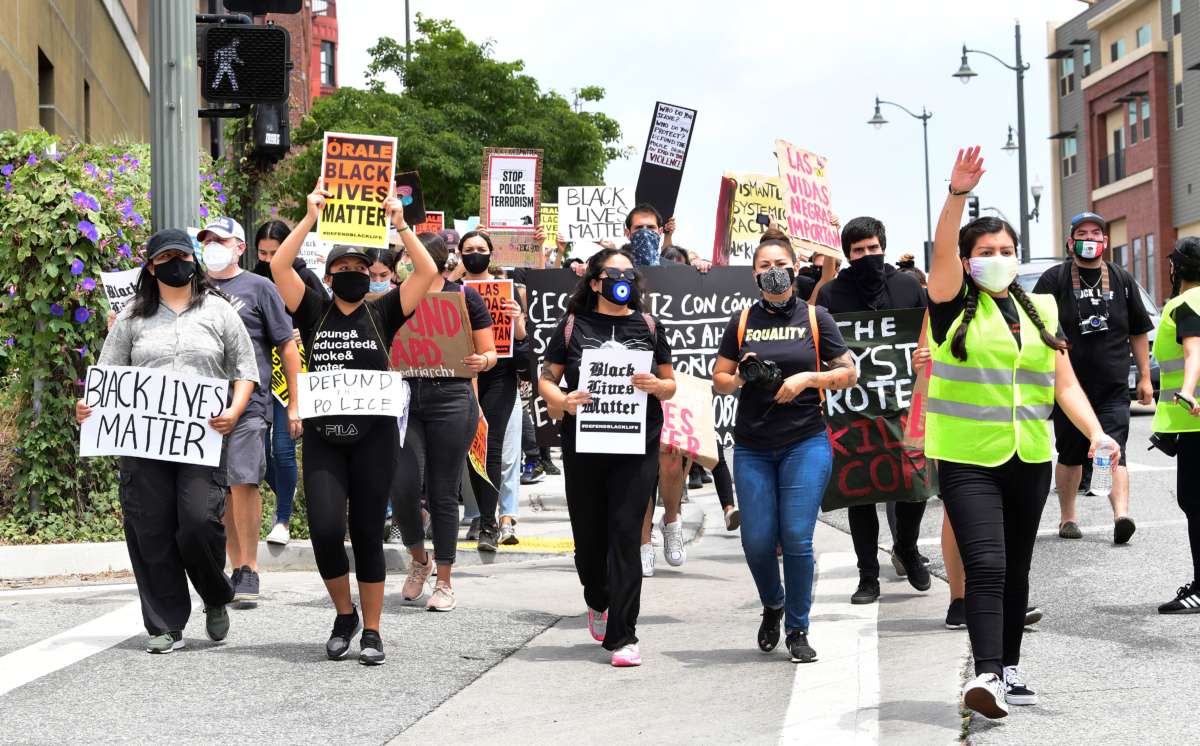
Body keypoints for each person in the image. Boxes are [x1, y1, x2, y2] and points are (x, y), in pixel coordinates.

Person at [926, 147, 1118, 718]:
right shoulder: (949, 304)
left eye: (1006, 251)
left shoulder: (1043, 309)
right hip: (966, 458)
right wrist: (957, 196)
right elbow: (942, 251)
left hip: (1029, 457)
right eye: (985, 252)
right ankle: (983, 676)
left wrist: (1096, 433)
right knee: (985, 564)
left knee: (1016, 567)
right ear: (965, 262)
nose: (998, 259)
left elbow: (1063, 385)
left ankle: (1009, 668)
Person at [270, 181, 438, 665]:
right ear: (328, 275)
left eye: (360, 268)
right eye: (341, 268)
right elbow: (279, 265)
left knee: (366, 531)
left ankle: (371, 630)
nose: (351, 274)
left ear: (372, 275)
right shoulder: (312, 309)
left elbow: (426, 270)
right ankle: (343, 615)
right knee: (324, 528)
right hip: (325, 438)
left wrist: (401, 224)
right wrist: (309, 217)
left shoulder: (384, 311)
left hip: (374, 440)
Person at [76, 228, 259, 653]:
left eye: (181, 256)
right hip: (143, 444)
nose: (174, 264)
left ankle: (215, 594)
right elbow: (107, 377)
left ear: (194, 262)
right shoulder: (130, 319)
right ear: (151, 267)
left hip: (201, 440)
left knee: (197, 523)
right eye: (164, 258)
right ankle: (164, 624)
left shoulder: (220, 312)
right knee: (151, 530)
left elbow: (245, 370)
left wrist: (233, 411)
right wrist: (88, 408)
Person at [713, 235, 858, 664]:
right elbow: (719, 377)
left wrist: (808, 380)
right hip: (754, 447)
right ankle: (773, 603)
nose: (772, 269)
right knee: (757, 542)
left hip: (805, 442)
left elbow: (849, 372)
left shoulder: (817, 318)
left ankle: (798, 627)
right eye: (764, 263)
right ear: (754, 273)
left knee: (796, 538)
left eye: (780, 261)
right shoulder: (741, 321)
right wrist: (741, 376)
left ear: (795, 268)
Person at [539, 248, 676, 667]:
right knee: (590, 538)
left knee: (625, 535)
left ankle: (624, 635)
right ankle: (597, 598)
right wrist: (563, 400)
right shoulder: (572, 325)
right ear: (595, 281)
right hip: (584, 447)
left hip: (635, 448)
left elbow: (671, 385)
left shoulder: (650, 326)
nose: (623, 280)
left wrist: (655, 385)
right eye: (613, 273)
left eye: (629, 274)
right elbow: (547, 379)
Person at [815, 216, 932, 605]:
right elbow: (823, 344)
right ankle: (868, 576)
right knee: (859, 491)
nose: (867, 255)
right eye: (858, 250)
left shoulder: (907, 285)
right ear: (848, 254)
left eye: (873, 248)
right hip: (855, 409)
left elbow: (927, 330)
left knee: (915, 485)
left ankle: (908, 548)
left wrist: (924, 354)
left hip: (904, 402)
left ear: (884, 246)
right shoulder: (833, 294)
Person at [198, 216, 302, 604]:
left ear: (240, 247)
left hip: (251, 403)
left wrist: (294, 402)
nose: (212, 245)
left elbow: (287, 346)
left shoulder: (260, 288)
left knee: (245, 480)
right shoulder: (193, 287)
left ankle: (249, 567)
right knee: (222, 485)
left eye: (221, 240)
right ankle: (233, 564)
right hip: (203, 406)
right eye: (207, 240)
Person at [1033, 211, 1153, 543]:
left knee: (1116, 449)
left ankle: (1121, 515)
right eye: (1082, 233)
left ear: (1105, 241)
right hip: (1069, 388)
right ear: (1071, 241)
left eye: (1096, 233)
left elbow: (1139, 331)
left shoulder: (1121, 278)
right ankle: (1068, 518)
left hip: (1112, 386)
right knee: (1070, 453)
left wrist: (1144, 377)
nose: (1090, 239)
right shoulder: (1054, 279)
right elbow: (1036, 325)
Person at [390, 232, 495, 610]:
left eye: (411, 255)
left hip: (451, 397)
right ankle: (420, 559)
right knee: (402, 484)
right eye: (404, 256)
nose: (406, 261)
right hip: (405, 399)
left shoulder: (464, 296)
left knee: (443, 490)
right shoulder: (396, 296)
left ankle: (445, 580)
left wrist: (480, 362)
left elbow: (490, 353)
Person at [253, 220, 322, 545]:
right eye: (262, 252)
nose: (268, 259)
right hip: (257, 373)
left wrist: (302, 334)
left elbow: (324, 316)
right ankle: (290, 497)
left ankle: (282, 520)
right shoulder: (251, 277)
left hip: (291, 372)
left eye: (275, 252)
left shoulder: (304, 277)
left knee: (283, 447)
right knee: (258, 453)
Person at [459, 230, 528, 548]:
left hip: (499, 377)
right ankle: (481, 517)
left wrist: (517, 321)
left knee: (492, 447)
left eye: (481, 248)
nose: (475, 253)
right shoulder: (451, 290)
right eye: (468, 249)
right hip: (464, 375)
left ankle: (489, 524)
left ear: (491, 253)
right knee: (475, 446)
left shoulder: (511, 291)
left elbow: (526, 350)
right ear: (460, 254)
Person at [1151, 237, 1200, 613]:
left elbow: (1193, 350)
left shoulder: (1186, 304)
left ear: (1176, 267)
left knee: (1195, 503)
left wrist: (1186, 390)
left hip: (1195, 420)